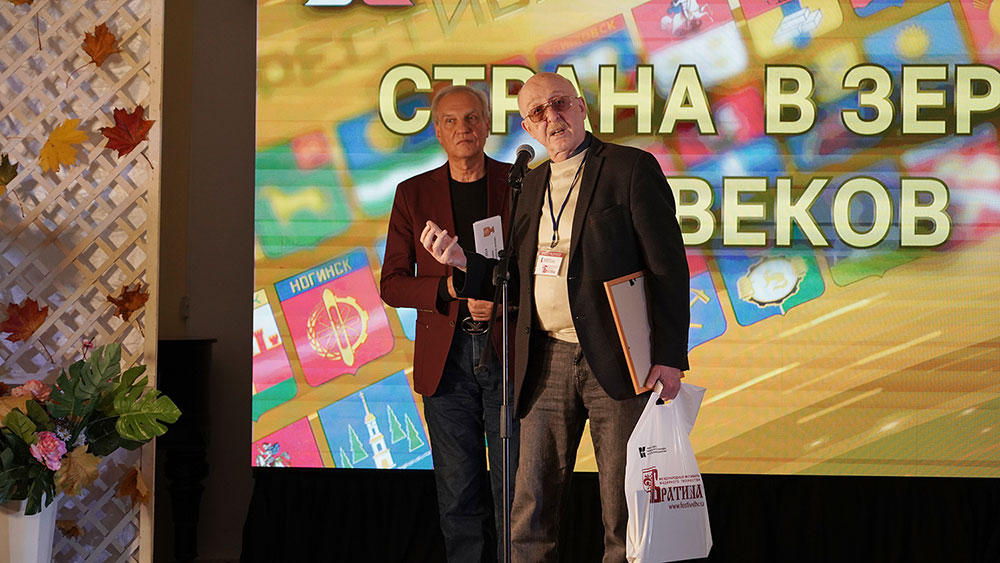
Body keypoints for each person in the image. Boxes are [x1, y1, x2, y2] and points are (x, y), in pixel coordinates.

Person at [419, 72, 690, 563]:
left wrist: (670, 357)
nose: (552, 117)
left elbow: (667, 268)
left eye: (560, 103)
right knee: (530, 508)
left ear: (582, 107)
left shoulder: (629, 168)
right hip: (546, 360)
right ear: (528, 127)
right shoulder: (529, 183)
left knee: (624, 509)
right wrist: (461, 261)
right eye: (538, 112)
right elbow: (512, 275)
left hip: (618, 359)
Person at [379, 84, 517, 563]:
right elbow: (392, 285)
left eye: (473, 118)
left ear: (487, 124)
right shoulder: (413, 194)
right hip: (447, 362)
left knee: (514, 494)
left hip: (507, 354)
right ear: (437, 131)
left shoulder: (519, 184)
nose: (464, 129)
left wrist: (502, 304)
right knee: (458, 499)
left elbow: (543, 269)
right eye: (452, 121)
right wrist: (450, 289)